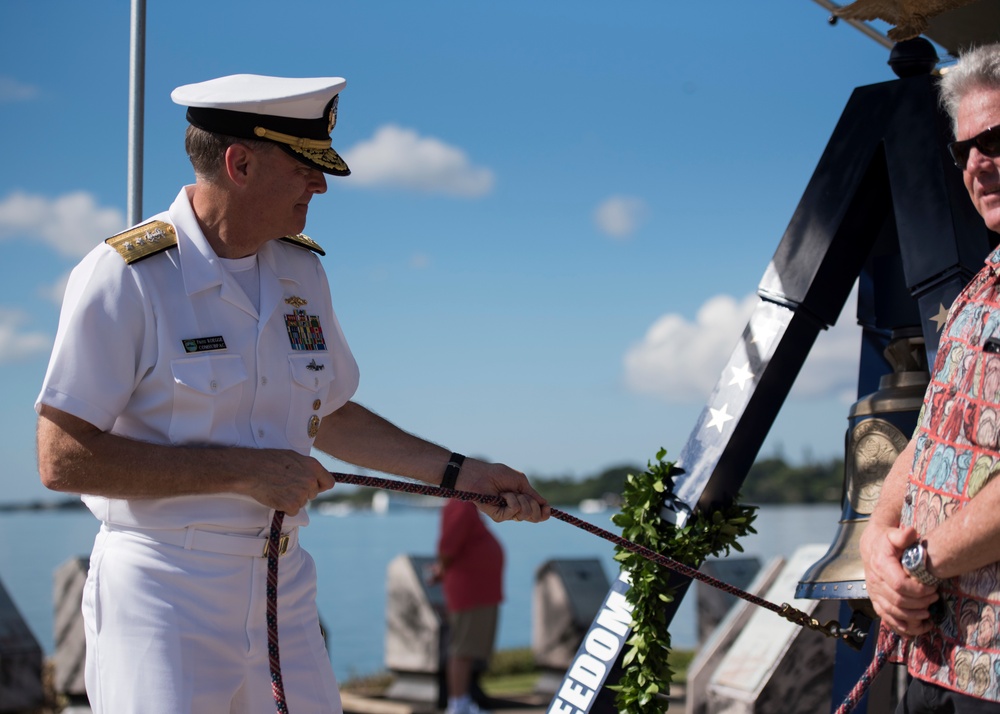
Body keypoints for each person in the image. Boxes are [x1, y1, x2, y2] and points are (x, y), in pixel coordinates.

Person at [34, 73, 549, 714]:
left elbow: (325, 414)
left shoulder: (301, 271)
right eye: (305, 165)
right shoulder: (127, 278)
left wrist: (461, 473)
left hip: (283, 584)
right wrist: (245, 472)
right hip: (163, 592)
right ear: (240, 162)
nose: (321, 184)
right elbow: (62, 456)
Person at [860, 43, 1000, 712]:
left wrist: (915, 566)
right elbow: (930, 435)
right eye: (964, 150)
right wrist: (875, 541)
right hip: (934, 662)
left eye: (996, 139)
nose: (979, 164)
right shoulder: (978, 291)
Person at [428, 498, 504, 714]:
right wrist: (442, 569)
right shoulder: (460, 504)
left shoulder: (466, 505)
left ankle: (464, 701)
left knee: (467, 649)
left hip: (479, 591)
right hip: (470, 591)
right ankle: (458, 705)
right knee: (462, 649)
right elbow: (448, 544)